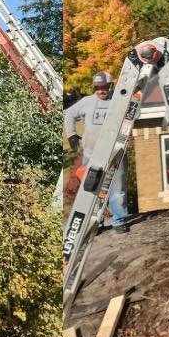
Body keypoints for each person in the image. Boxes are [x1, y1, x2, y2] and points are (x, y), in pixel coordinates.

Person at [63, 71, 131, 233]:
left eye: (104, 87)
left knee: (118, 188)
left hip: (116, 152)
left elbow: (135, 114)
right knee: (92, 189)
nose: (101, 90)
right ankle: (96, 223)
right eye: (98, 87)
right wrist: (71, 134)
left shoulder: (119, 101)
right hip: (91, 154)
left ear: (110, 86)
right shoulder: (87, 102)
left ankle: (118, 220)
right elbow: (69, 114)